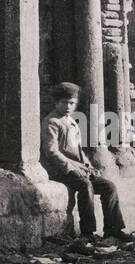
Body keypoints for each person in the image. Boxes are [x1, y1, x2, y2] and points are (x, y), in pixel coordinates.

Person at [42, 82, 130, 242]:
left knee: (109, 186)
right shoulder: (52, 122)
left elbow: (78, 150)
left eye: (72, 103)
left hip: (79, 169)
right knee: (85, 185)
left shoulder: (71, 122)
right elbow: (52, 152)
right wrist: (71, 168)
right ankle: (87, 232)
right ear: (56, 103)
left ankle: (113, 229)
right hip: (60, 171)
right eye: (64, 102)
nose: (68, 106)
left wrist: (89, 167)